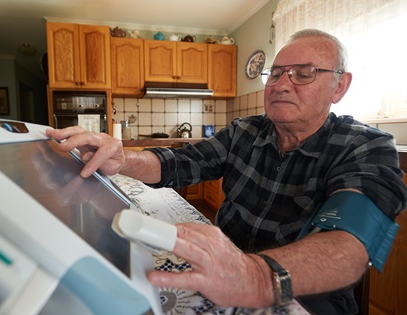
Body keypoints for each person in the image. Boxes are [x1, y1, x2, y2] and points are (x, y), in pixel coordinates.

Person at [46, 29, 407, 314]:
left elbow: (351, 244)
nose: (282, 84)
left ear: (339, 86)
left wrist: (254, 275)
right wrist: (122, 160)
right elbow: (178, 163)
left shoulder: (367, 147)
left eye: (304, 74)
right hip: (222, 268)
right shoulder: (243, 131)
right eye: (277, 73)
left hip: (307, 295)